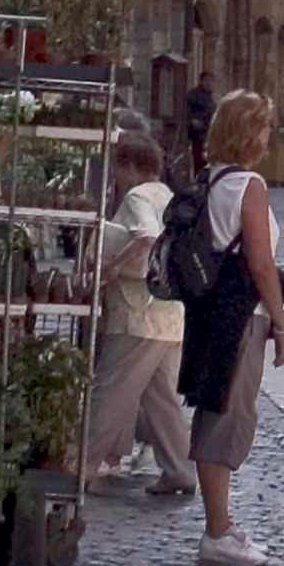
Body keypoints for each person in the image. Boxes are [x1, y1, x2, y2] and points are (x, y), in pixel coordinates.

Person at [176, 91, 284, 566]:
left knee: (214, 407)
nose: (268, 137)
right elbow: (262, 264)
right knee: (229, 414)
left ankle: (218, 523)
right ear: (250, 133)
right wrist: (282, 325)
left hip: (207, 310)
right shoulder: (249, 186)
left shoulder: (209, 179)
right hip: (239, 313)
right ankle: (218, 529)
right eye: (264, 127)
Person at [85, 132, 191, 495]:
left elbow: (146, 236)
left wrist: (110, 269)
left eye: (117, 166)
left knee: (110, 391)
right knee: (161, 399)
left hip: (136, 313)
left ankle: (82, 464)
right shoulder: (168, 194)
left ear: (128, 166)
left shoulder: (137, 196)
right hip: (171, 313)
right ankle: (179, 468)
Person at [184, 71, 217, 168]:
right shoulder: (193, 94)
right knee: (198, 157)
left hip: (209, 131)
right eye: (207, 80)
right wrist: (193, 120)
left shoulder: (212, 97)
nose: (209, 83)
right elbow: (186, 110)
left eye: (211, 81)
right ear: (201, 81)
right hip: (197, 133)